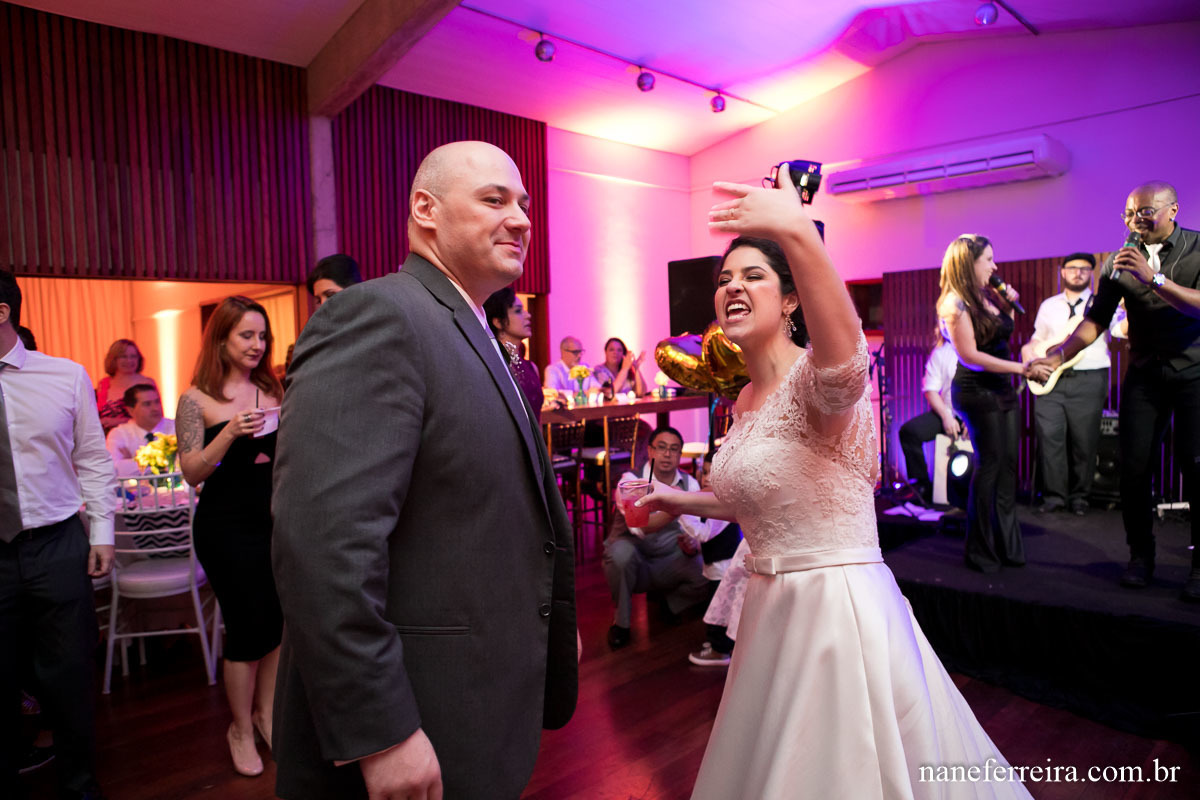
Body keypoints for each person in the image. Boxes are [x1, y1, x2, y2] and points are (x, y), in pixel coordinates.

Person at [638, 169, 1031, 799]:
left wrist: (797, 229)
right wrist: (676, 497)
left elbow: (848, 364)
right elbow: (766, 500)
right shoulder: (745, 398)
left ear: (791, 301)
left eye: (753, 276)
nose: (732, 286)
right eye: (725, 279)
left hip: (834, 610)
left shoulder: (816, 382)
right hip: (768, 610)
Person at [271, 141, 577, 800]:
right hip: (418, 712)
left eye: (524, 203)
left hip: (477, 697)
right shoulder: (379, 315)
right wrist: (381, 732)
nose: (521, 219)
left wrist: (548, 626)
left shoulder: (471, 329)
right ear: (425, 210)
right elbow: (323, 543)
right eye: (494, 199)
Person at [1029, 181, 1200, 598]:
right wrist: (1059, 355)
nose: (1135, 220)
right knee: (1134, 469)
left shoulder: (1196, 248)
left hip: (1193, 373)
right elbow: (1095, 321)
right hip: (1144, 374)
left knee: (1195, 468)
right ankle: (1140, 555)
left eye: (1145, 211)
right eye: (1130, 213)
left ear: (1173, 210)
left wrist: (1153, 278)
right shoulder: (1117, 262)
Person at [0, 270, 116, 800]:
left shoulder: (64, 376)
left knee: (70, 676)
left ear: (3, 312)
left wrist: (103, 532)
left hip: (56, 544)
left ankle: (80, 787)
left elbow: (92, 458)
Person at [176, 296, 284, 779]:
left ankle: (266, 714)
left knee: (277, 623)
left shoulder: (271, 388)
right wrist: (229, 433)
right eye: (247, 335)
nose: (257, 344)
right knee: (246, 627)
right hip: (225, 529)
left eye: (262, 335)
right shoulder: (195, 400)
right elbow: (192, 473)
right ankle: (239, 728)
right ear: (221, 339)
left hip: (273, 523)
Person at [937, 234, 1028, 573]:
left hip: (1001, 387)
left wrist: (1008, 305)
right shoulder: (955, 304)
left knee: (1007, 466)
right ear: (968, 263)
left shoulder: (987, 295)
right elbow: (972, 357)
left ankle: (1007, 546)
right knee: (989, 465)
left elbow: (1000, 336)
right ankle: (980, 550)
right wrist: (1021, 368)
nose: (994, 266)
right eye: (988, 259)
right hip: (977, 390)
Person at [1019, 253, 1118, 515]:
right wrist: (1028, 351)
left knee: (1084, 441)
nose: (1078, 272)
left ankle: (1080, 497)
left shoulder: (1101, 303)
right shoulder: (1049, 306)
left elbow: (1120, 329)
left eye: (1085, 269)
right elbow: (1037, 339)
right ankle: (1054, 496)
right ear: (1062, 272)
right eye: (1072, 268)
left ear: (1092, 274)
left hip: (1089, 378)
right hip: (1051, 379)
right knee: (1050, 438)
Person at [603, 425, 710, 650]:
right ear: (650, 451)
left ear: (680, 454)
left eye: (674, 449)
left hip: (668, 558)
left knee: (707, 570)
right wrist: (680, 505)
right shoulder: (629, 481)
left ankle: (670, 604)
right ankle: (621, 623)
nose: (667, 454)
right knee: (620, 554)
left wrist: (693, 544)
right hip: (635, 555)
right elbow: (641, 527)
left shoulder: (689, 483)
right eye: (661, 447)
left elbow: (696, 529)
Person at [679, 453, 745, 667]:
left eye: (713, 473)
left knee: (720, 609)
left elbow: (705, 533)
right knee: (715, 605)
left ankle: (720, 650)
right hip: (714, 565)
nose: (707, 477)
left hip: (724, 565)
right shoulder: (713, 500)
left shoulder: (725, 503)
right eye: (705, 472)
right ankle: (717, 644)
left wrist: (680, 510)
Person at [897, 328, 961, 504]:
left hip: (975, 413)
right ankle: (923, 486)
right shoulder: (942, 353)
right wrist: (946, 416)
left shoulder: (978, 348)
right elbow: (931, 390)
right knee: (909, 432)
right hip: (949, 412)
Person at [484, 287, 544, 421]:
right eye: (518, 311)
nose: (528, 315)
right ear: (498, 322)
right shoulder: (492, 366)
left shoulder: (531, 367)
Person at [104, 384, 175, 476]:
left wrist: (134, 461)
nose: (155, 408)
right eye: (147, 404)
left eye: (157, 402)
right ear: (131, 410)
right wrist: (166, 461)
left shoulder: (176, 427)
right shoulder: (119, 434)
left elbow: (184, 463)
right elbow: (114, 469)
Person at [95, 339, 156, 433]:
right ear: (113, 359)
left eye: (133, 356)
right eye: (124, 356)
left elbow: (153, 418)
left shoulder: (146, 383)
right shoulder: (103, 384)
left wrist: (118, 421)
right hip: (105, 438)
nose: (129, 360)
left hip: (137, 436)